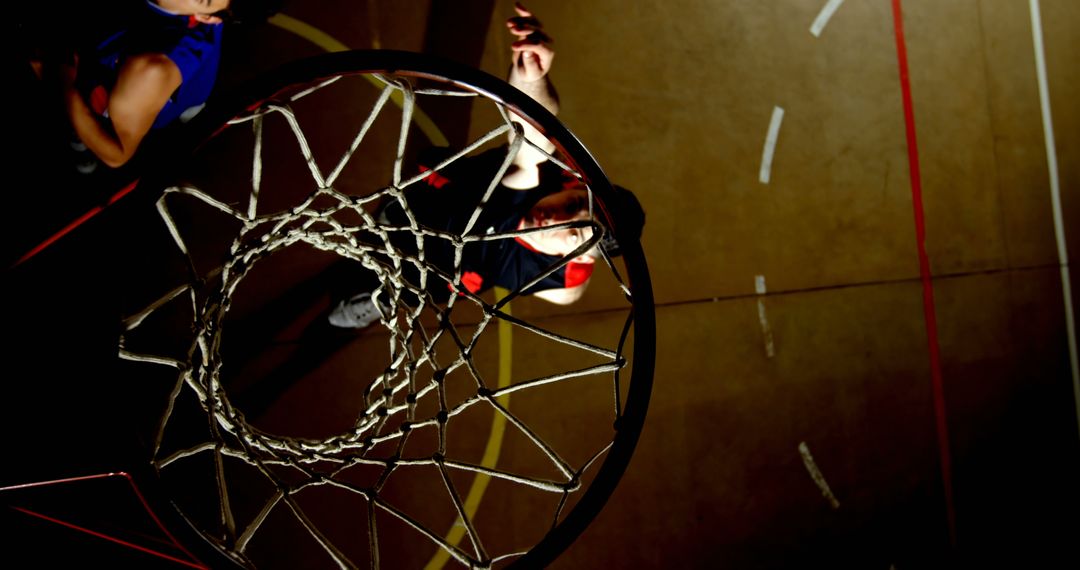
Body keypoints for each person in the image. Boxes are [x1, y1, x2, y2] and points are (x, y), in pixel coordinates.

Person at [327, 3, 644, 328]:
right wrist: (531, 76)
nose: (555, 217)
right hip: (426, 209)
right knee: (376, 238)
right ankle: (375, 244)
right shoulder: (538, 176)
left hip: (447, 269)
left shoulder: (564, 284)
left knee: (422, 286)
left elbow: (573, 287)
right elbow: (532, 135)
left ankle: (386, 297)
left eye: (573, 232)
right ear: (575, 187)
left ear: (580, 258)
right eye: (574, 203)